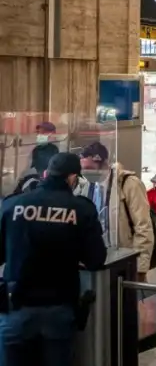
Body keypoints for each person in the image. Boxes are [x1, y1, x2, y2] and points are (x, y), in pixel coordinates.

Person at [0, 153, 107, 365]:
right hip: (59, 309)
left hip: (16, 307)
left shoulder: (13, 204)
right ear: (72, 178)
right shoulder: (81, 209)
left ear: (46, 174)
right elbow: (96, 260)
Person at [79, 142, 154, 282]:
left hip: (124, 260)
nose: (86, 173)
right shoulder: (87, 186)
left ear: (104, 163)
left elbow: (143, 227)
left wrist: (141, 267)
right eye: (83, 169)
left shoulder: (129, 184)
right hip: (99, 261)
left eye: (90, 168)